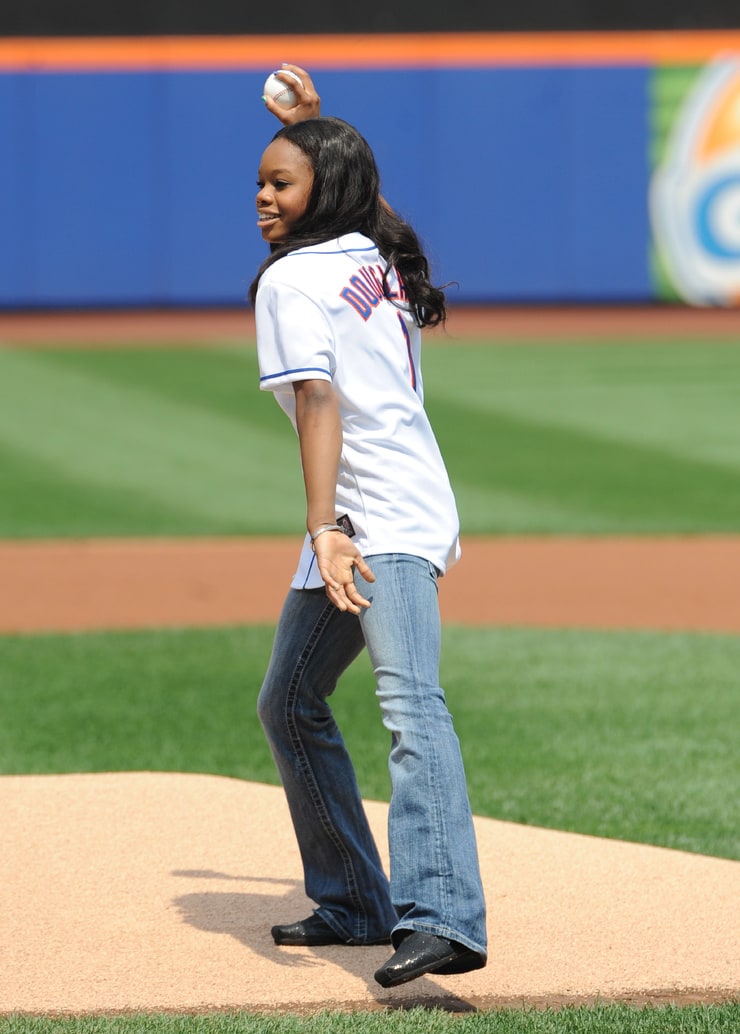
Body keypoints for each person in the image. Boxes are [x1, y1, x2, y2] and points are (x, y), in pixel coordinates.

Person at [251, 68, 487, 989]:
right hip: (375, 511)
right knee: (290, 701)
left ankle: (445, 917)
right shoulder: (371, 257)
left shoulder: (296, 279)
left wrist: (321, 531)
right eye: (262, 183)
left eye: (283, 182)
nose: (265, 198)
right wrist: (316, 133)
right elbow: (380, 220)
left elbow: (318, 399)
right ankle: (355, 897)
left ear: (324, 195)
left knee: (410, 703)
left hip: (374, 519)